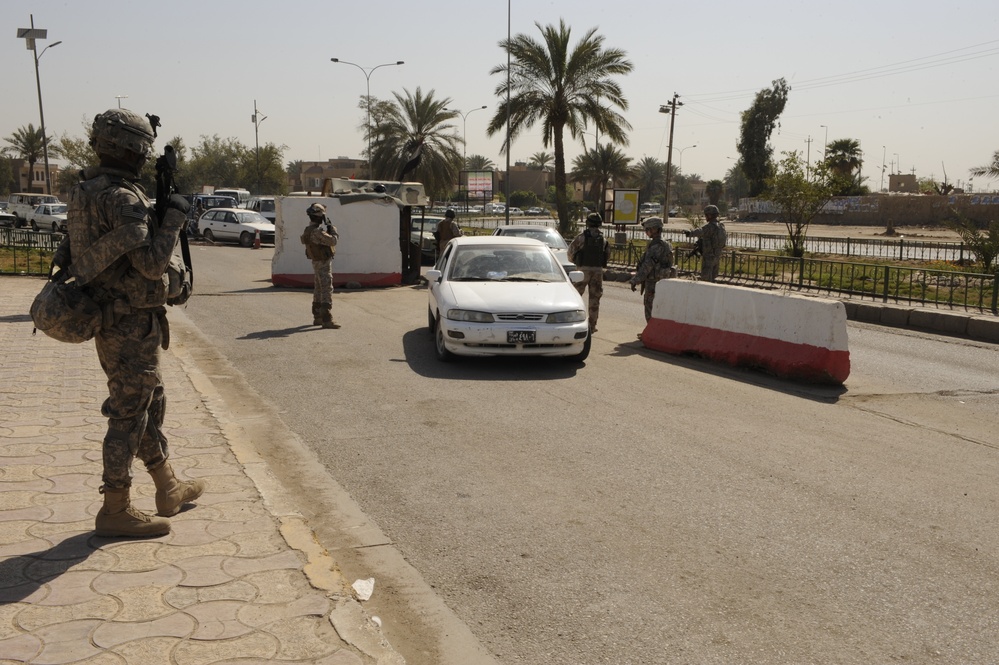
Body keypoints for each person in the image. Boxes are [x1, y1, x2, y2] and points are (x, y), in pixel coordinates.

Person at [51, 108, 205, 538]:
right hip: (130, 322)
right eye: (143, 149)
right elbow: (153, 265)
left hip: (110, 316)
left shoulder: (85, 191)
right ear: (135, 149)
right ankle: (115, 508)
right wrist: (174, 216)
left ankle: (168, 486)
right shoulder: (122, 198)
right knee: (128, 414)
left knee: (141, 406)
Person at [567, 212, 610, 332]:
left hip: (582, 271)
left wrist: (577, 262)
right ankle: (592, 325)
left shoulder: (581, 237)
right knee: (595, 299)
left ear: (588, 223)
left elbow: (570, 253)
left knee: (575, 296)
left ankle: (573, 321)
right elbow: (607, 255)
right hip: (597, 271)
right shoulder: (603, 239)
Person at [301, 202, 340, 329]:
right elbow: (333, 241)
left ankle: (317, 317)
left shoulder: (308, 230)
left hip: (316, 262)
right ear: (318, 217)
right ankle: (327, 319)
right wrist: (333, 229)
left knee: (318, 289)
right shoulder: (317, 232)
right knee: (326, 288)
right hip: (323, 263)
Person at [629, 217, 674, 322]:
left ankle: (651, 330)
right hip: (662, 281)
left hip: (654, 281)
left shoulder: (656, 246)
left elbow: (648, 266)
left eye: (648, 229)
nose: (646, 232)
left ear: (655, 229)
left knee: (650, 306)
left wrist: (636, 280)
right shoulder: (664, 243)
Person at [685, 205, 727, 282]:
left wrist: (690, 233)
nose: (705, 217)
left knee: (706, 280)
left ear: (709, 215)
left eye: (706, 215)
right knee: (713, 278)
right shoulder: (721, 226)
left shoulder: (710, 226)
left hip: (708, 257)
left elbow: (700, 231)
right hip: (717, 255)